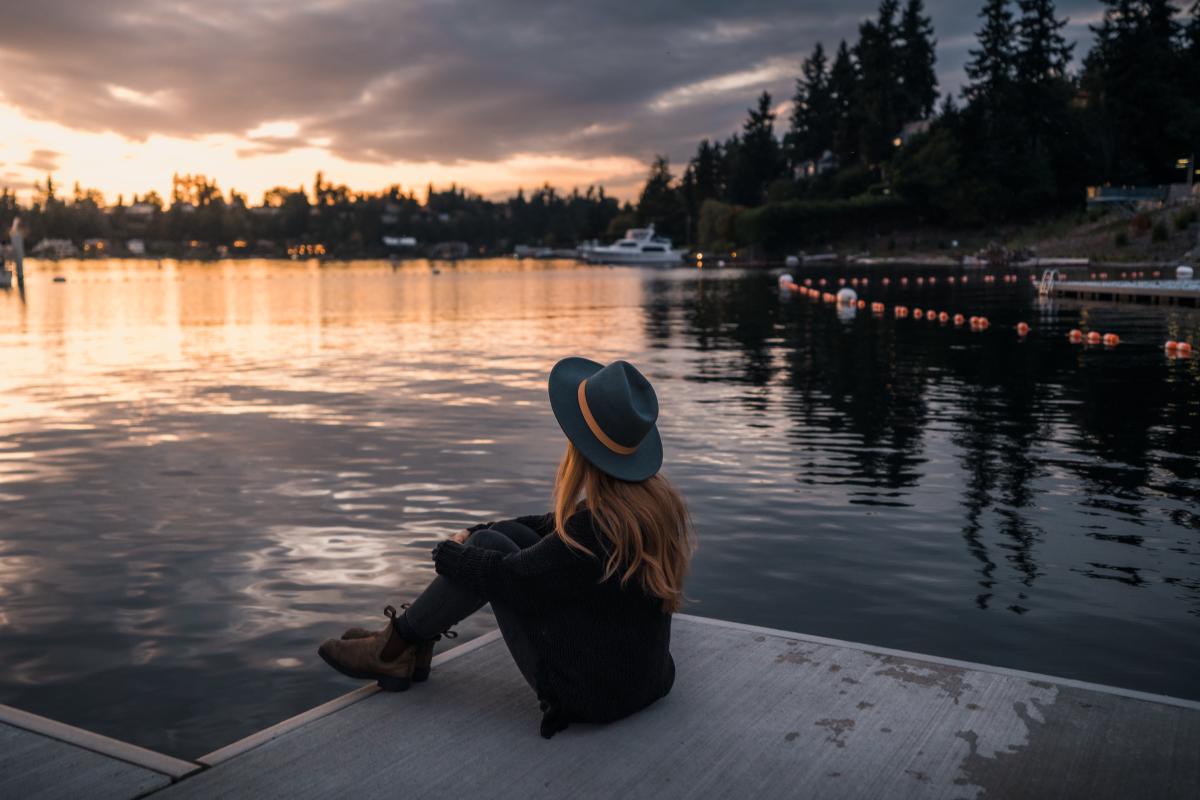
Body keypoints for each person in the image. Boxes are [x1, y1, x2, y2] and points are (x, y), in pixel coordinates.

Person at [318, 357, 696, 738]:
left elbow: (510, 580)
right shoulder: (647, 508)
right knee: (498, 539)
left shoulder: (595, 530)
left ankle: (394, 649)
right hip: (642, 679)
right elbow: (551, 527)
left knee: (487, 555)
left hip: (590, 696)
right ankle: (407, 643)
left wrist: (449, 552)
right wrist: (478, 528)